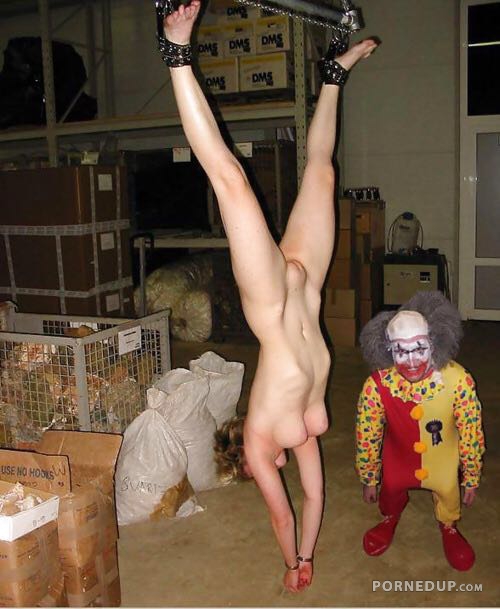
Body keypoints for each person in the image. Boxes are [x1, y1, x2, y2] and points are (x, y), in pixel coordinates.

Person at [156, 0, 377, 592]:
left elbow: (281, 514)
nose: (272, 474)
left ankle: (176, 52)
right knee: (323, 172)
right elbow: (313, 496)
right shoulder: (302, 434)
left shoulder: (258, 444)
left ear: (249, 466)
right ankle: (333, 75)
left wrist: (289, 562)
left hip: (273, 303)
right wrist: (306, 557)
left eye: (261, 474)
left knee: (230, 180)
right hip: (306, 287)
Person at [356, 291, 485, 571]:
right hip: (398, 457)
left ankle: (448, 524)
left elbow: (471, 432)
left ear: (434, 343)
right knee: (392, 487)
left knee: (447, 489)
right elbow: (368, 435)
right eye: (401, 351)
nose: (411, 361)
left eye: (419, 348)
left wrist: (471, 476)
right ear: (387, 349)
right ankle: (390, 515)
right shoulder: (377, 386)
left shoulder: (458, 380)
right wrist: (369, 477)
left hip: (443, 459)